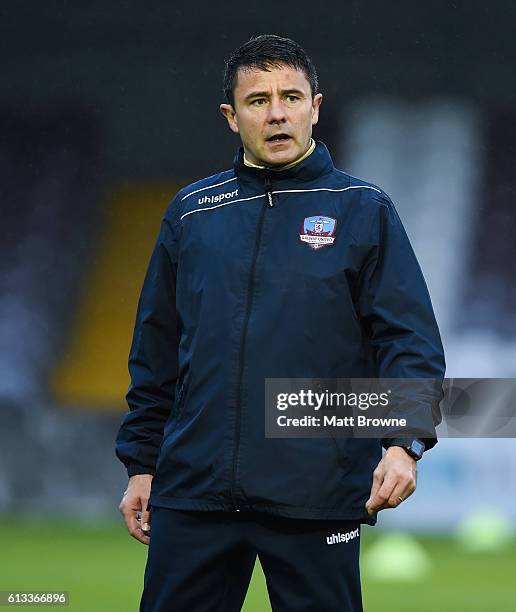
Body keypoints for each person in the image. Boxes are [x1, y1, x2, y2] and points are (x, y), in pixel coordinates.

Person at [116, 34, 445, 612]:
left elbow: (409, 340)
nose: (276, 113)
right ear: (231, 116)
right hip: (193, 493)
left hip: (316, 492)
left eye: (291, 97)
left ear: (315, 107)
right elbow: (156, 349)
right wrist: (143, 464)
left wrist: (404, 444)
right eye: (258, 99)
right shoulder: (191, 213)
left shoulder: (363, 210)